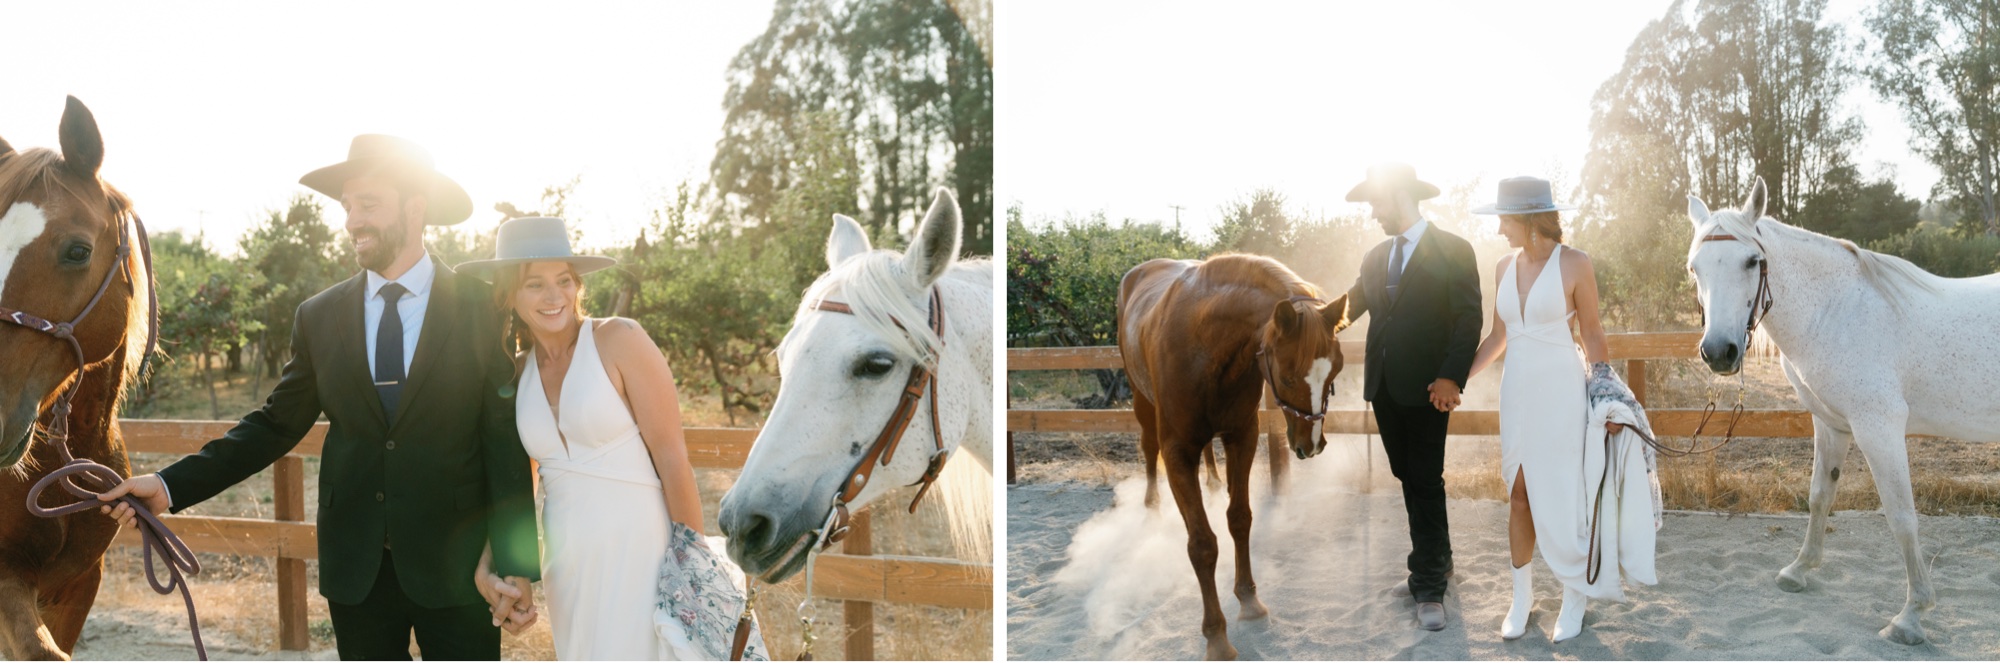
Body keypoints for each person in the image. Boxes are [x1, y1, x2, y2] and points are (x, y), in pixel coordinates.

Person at [99, 135, 541, 659]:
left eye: (369, 205)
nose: (353, 221)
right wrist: (168, 485)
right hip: (357, 573)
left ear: (415, 208)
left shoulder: (479, 306)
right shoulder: (319, 316)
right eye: (348, 207)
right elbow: (274, 425)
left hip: (461, 568)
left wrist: (514, 561)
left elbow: (502, 439)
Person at [457, 217, 763, 660]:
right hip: (567, 559)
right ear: (509, 295)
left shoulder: (619, 339)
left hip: (643, 550)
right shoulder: (517, 373)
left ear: (577, 285)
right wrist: (498, 557)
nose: (553, 295)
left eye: (563, 280)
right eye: (534, 284)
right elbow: (523, 484)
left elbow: (673, 459)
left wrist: (693, 569)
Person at [1466, 176, 1658, 642]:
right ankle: (1521, 598)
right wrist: (1458, 381)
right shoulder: (1501, 267)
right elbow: (1497, 337)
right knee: (1519, 494)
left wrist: (1607, 396)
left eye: (1504, 220)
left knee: (1569, 496)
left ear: (1529, 220)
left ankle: (1575, 597)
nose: (1498, 231)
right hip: (1517, 394)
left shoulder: (1575, 264)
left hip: (1562, 390)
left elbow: (1592, 333)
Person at [1340, 163, 1483, 631]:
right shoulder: (1375, 257)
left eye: (1377, 203)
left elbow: (1467, 320)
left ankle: (1428, 586)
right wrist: (1305, 314)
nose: (1373, 213)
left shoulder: (1454, 250)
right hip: (1383, 386)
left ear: (1400, 196)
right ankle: (1436, 560)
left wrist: (1451, 377)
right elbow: (1348, 308)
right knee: (1410, 476)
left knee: (1423, 477)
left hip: (1428, 389)